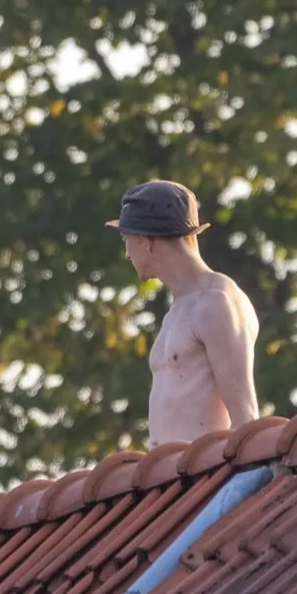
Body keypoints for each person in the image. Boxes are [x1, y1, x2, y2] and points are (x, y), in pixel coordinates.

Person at [109, 181, 259, 445]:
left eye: (127, 241)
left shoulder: (216, 302)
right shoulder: (179, 309)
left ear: (147, 242)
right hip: (171, 470)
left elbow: (246, 417)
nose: (127, 254)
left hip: (209, 467)